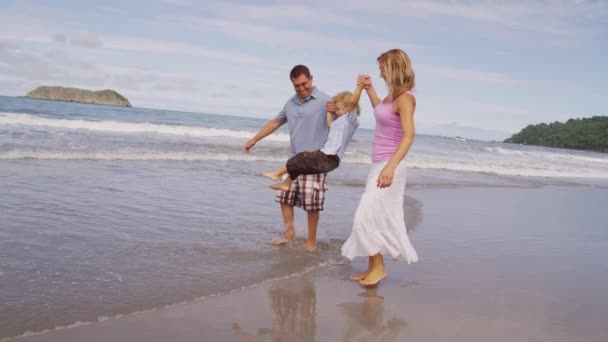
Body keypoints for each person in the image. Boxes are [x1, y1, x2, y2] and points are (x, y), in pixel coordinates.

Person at [341, 49, 419, 287]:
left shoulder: (406, 98)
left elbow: (409, 136)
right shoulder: (390, 99)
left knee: (365, 216)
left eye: (383, 68)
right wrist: (368, 89)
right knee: (373, 216)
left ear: (393, 68)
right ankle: (373, 268)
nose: (380, 73)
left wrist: (390, 168)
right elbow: (380, 111)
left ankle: (380, 267)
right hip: (379, 165)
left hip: (389, 166)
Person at [244, 65, 331, 251]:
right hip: (294, 160)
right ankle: (288, 235)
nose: (301, 88)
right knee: (284, 197)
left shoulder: (326, 101)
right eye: (296, 86)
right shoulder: (290, 103)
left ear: (311, 79)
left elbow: (341, 121)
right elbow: (276, 122)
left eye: (304, 84)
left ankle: (311, 243)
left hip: (316, 161)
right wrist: (255, 139)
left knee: (311, 204)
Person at [261, 86, 363, 192]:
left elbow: (353, 102)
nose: (336, 111)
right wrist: (329, 112)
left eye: (337, 109)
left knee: (301, 157)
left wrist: (360, 87)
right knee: (300, 163)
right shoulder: (337, 122)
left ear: (348, 106)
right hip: (326, 155)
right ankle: (286, 184)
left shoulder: (351, 120)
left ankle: (276, 174)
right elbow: (329, 123)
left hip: (332, 157)